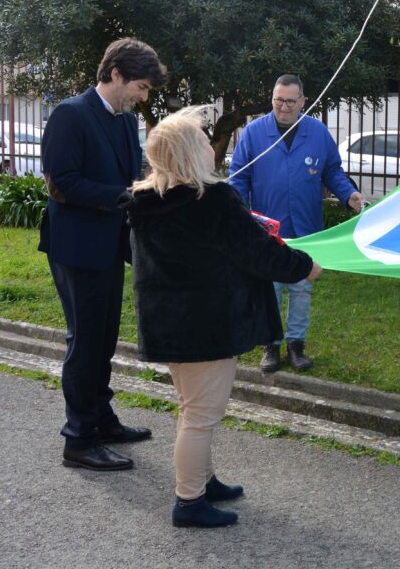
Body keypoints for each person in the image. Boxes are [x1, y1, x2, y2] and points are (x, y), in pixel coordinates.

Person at [126, 107, 321, 528]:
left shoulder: (146, 202)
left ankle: (203, 479)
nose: (212, 144)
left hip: (171, 324)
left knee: (192, 407)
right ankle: (189, 500)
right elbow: (259, 252)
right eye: (201, 139)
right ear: (189, 153)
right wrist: (304, 266)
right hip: (207, 326)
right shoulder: (211, 200)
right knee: (200, 416)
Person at [39, 37, 165, 472]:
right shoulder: (70, 115)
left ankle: (102, 419)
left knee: (104, 340)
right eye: (142, 87)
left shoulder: (122, 120)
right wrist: (124, 195)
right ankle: (79, 440)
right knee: (85, 343)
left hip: (109, 246)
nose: (143, 97)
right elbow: (61, 184)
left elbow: (129, 177)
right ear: (116, 75)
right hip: (76, 248)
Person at [229, 75, 362, 373]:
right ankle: (271, 345)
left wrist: (348, 194)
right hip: (267, 231)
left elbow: (333, 171)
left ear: (303, 101)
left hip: (306, 229)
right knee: (270, 289)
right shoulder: (253, 133)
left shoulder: (316, 132)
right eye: (279, 100)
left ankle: (296, 345)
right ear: (272, 98)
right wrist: (241, 215)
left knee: (301, 288)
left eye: (290, 101)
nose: (284, 107)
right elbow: (238, 177)